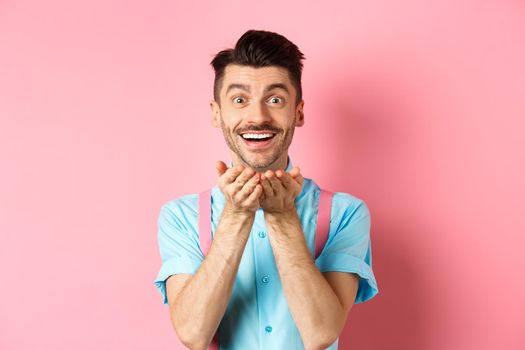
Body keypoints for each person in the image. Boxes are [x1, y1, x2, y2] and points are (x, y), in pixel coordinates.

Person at [154, 29, 379, 350]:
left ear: (298, 112)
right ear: (217, 113)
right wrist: (236, 216)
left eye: (275, 100)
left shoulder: (345, 213)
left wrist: (282, 217)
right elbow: (192, 334)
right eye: (239, 100)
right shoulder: (181, 216)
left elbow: (321, 333)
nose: (257, 116)